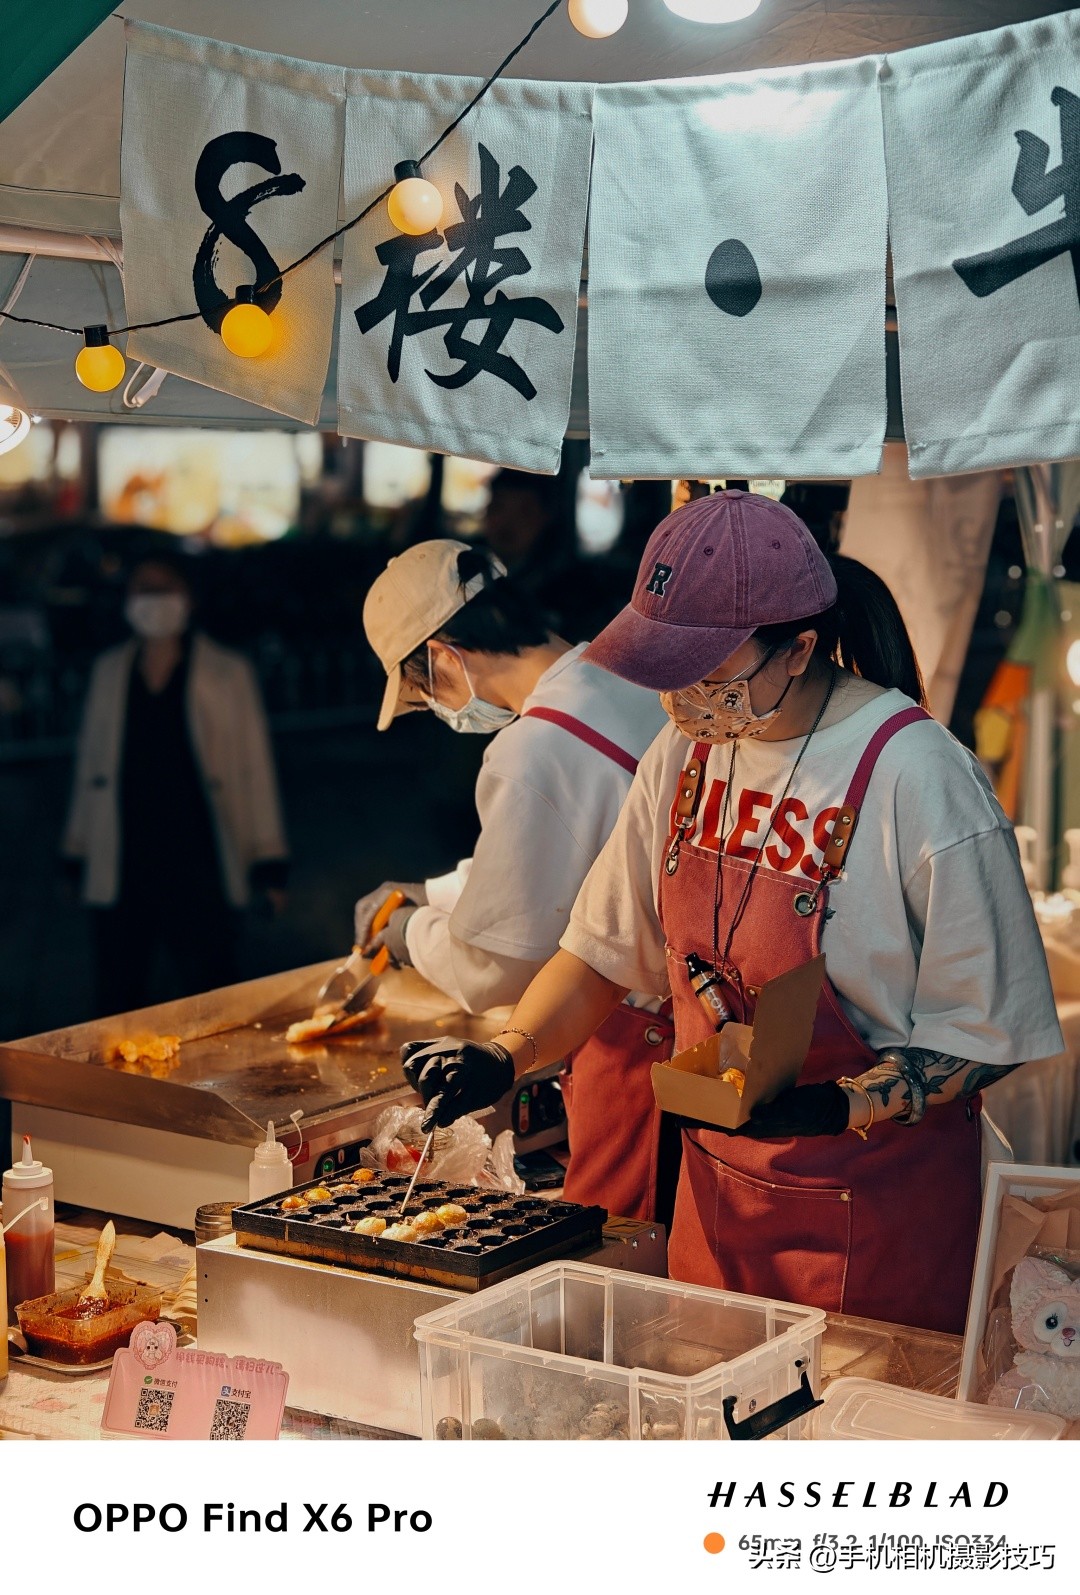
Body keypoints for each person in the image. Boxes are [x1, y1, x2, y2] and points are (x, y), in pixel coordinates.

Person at [398, 491, 1063, 1334]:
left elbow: (989, 1034)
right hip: (718, 1220)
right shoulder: (684, 754)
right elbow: (604, 949)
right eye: (670, 671)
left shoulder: (918, 775)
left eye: (712, 672)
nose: (685, 699)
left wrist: (844, 1104)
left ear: (800, 650)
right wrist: (508, 1051)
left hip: (880, 1233)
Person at [356, 538, 669, 1219]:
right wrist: (428, 891)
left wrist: (411, 932)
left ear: (441, 655)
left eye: (421, 692)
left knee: (621, 1256)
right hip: (696, 1026)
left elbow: (493, 967)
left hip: (638, 1040)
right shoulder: (621, 675)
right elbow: (561, 857)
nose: (438, 711)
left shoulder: (531, 749)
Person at [61, 551, 289, 1014]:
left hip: (199, 861)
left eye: (165, 588)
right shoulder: (109, 671)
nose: (153, 600)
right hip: (125, 861)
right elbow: (91, 768)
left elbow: (254, 770)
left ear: (189, 597)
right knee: (118, 1001)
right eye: (143, 589)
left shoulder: (228, 672)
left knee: (212, 998)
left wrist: (269, 860)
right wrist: (76, 849)